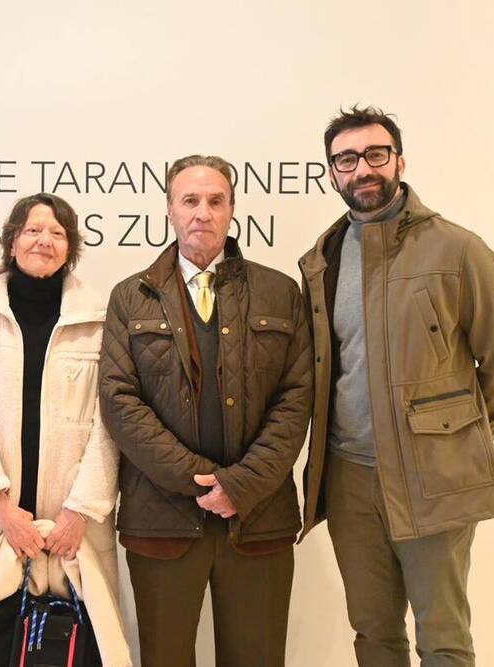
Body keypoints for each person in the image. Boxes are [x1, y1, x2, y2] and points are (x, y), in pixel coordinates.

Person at [299, 106, 494, 666]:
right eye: (346, 160)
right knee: (374, 635)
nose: (362, 169)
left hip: (432, 476)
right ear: (332, 172)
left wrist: (449, 437)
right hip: (349, 479)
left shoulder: (458, 249)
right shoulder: (322, 258)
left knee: (443, 639)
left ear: (398, 160)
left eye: (375, 154)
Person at [99, 155, 313, 667]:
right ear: (170, 210)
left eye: (216, 201)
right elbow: (120, 400)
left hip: (258, 518)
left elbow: (296, 398)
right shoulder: (131, 297)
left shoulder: (280, 292)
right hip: (163, 520)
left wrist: (240, 485)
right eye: (190, 200)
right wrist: (199, 481)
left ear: (232, 209)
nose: (203, 212)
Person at [0, 193, 128, 667]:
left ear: (71, 247)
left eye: (57, 233)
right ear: (12, 241)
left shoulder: (100, 320)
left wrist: (79, 513)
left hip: (74, 535)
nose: (43, 240)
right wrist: (2, 507)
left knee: (77, 655)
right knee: (2, 651)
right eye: (32, 230)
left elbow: (111, 424)